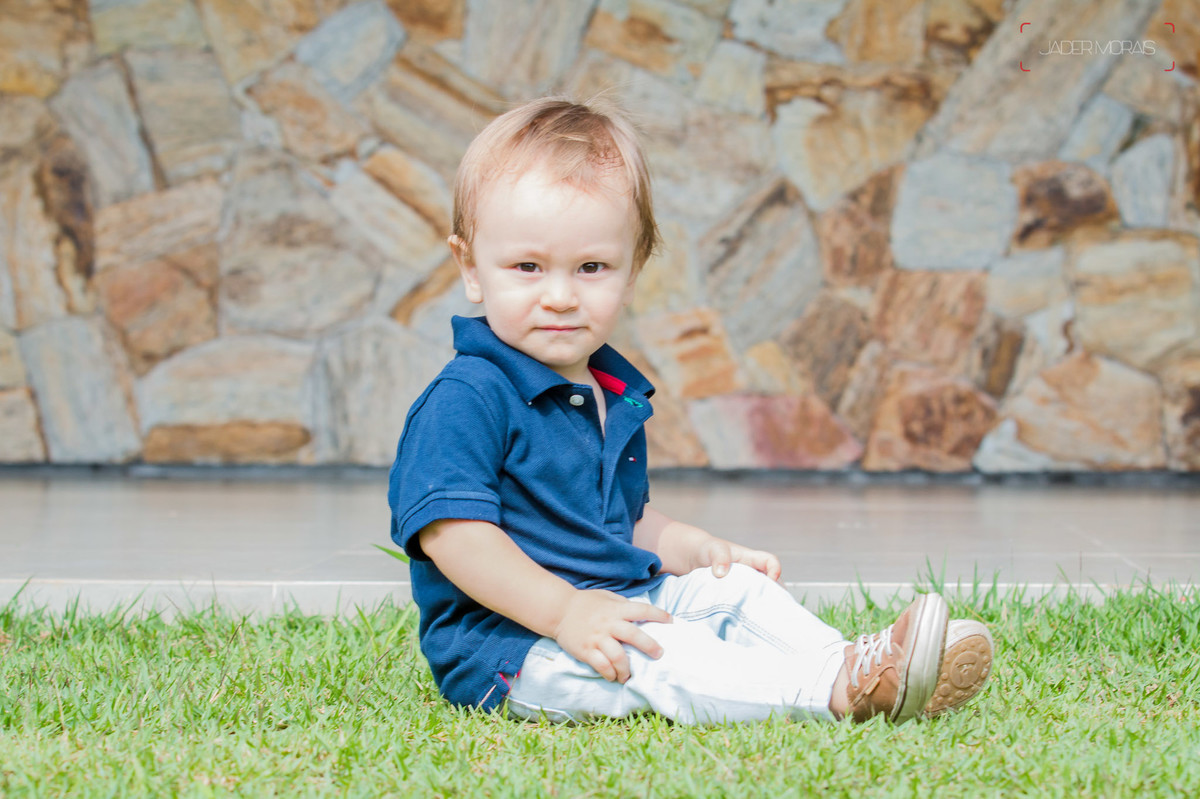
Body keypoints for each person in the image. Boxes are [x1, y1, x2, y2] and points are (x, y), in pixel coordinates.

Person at [387, 96, 993, 724]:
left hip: (618, 602)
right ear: (472, 268)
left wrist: (698, 547)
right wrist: (567, 612)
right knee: (663, 652)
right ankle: (832, 694)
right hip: (517, 649)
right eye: (528, 267)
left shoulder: (607, 390)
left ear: (632, 269)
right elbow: (455, 536)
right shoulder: (467, 397)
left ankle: (855, 666)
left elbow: (622, 520)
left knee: (732, 589)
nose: (561, 295)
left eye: (591, 266)